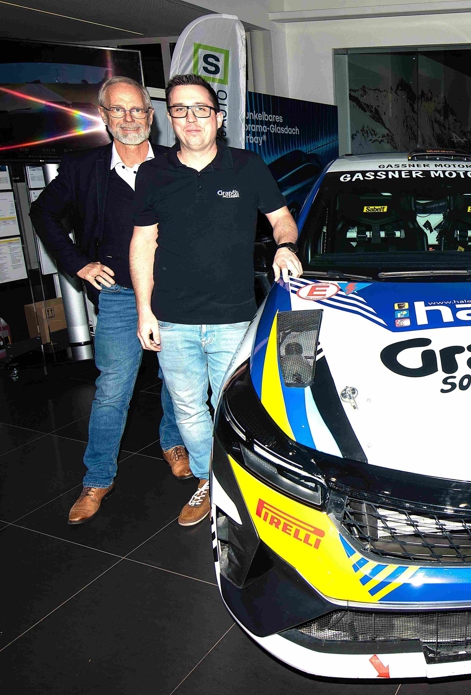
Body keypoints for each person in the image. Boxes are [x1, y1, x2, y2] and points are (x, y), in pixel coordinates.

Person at [130, 74, 302, 526]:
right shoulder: (153, 174)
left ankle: (241, 483)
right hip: (172, 319)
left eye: (201, 109)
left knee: (237, 408)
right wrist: (144, 310)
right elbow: (143, 243)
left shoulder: (247, 166)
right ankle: (209, 480)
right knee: (188, 409)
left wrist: (285, 246)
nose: (191, 118)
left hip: (234, 318)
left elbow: (282, 218)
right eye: (180, 109)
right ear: (170, 118)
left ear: (218, 117)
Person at [30, 76, 190, 526]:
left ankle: (173, 442)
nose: (128, 119)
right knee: (112, 390)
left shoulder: (177, 163)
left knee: (178, 381)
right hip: (118, 295)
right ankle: (97, 479)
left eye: (137, 109)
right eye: (118, 110)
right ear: (104, 116)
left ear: (151, 116)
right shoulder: (83, 168)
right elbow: (42, 212)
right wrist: (78, 263)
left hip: (173, 292)